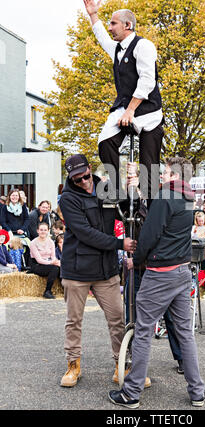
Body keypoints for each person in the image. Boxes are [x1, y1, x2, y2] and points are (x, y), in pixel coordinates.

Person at [108, 157, 205, 409]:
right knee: (185, 334)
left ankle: (131, 393)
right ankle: (197, 392)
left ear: (174, 175)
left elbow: (150, 234)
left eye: (164, 173)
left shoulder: (165, 197)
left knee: (143, 332)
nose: (161, 176)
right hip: (182, 273)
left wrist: (136, 261)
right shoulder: (188, 198)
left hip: (160, 274)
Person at [58, 154, 136, 388]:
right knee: (74, 320)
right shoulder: (67, 198)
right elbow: (84, 232)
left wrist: (133, 186)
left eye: (84, 176)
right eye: (76, 179)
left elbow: (130, 208)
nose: (82, 181)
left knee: (117, 319)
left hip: (106, 268)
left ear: (90, 169)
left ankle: (121, 365)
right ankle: (73, 365)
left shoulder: (106, 187)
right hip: (76, 269)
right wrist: (119, 244)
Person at [83, 0, 164, 203]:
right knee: (105, 142)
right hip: (125, 107)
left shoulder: (144, 46)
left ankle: (149, 208)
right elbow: (101, 37)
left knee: (150, 168)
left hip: (148, 111)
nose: (110, 28)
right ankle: (119, 192)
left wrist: (130, 111)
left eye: (113, 23)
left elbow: (148, 81)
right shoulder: (117, 48)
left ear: (127, 25)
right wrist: (93, 15)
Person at [29, 222, 60, 299]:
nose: (43, 231)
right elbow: (39, 260)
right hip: (36, 265)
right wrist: (52, 263)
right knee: (54, 268)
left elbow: (53, 256)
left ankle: (66, 289)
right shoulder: (33, 243)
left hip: (48, 262)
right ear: (37, 231)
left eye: (45, 230)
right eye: (41, 230)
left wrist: (56, 262)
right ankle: (47, 291)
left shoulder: (51, 242)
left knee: (60, 267)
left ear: (48, 231)